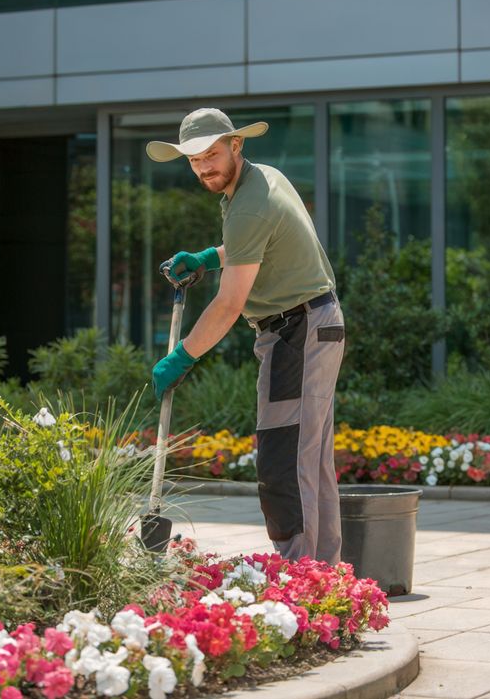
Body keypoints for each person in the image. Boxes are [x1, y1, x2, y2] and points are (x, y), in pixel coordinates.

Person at [146, 108, 345, 565]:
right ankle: (326, 577)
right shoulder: (262, 181)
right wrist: (207, 258)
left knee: (283, 462)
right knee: (308, 462)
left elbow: (228, 304)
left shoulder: (249, 204)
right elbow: (254, 246)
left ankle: (301, 580)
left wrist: (182, 355)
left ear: (237, 145)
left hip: (297, 331)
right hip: (315, 324)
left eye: (211, 154)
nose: (202, 167)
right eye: (193, 160)